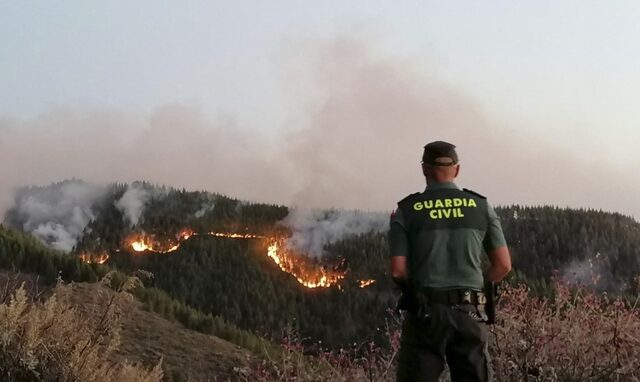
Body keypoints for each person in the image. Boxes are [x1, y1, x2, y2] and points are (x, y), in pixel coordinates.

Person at [389, 141, 511, 382]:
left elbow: (397, 270)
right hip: (469, 313)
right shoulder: (481, 206)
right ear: (457, 169)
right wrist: (480, 290)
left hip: (426, 313)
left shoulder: (407, 210)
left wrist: (414, 293)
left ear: (424, 169)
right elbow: (503, 265)